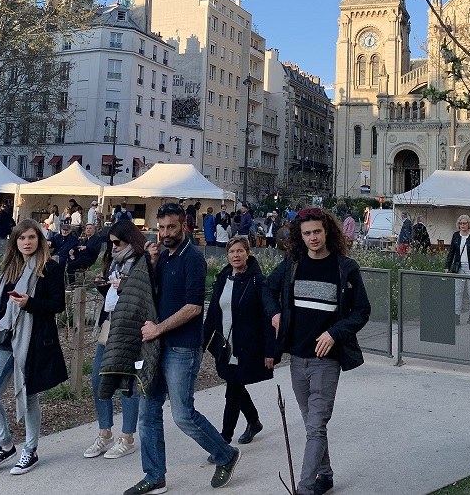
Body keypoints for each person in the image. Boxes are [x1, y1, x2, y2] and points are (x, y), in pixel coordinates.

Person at [127, 203, 241, 495]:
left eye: (171, 227)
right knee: (147, 413)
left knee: (182, 415)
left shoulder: (193, 259)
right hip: (156, 348)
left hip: (182, 349)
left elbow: (193, 307)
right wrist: (152, 262)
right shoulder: (163, 256)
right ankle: (154, 476)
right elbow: (154, 294)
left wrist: (158, 329)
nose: (165, 233)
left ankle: (225, 454)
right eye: (161, 228)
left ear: (184, 226)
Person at [264, 207, 370, 495]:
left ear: (327, 232)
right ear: (300, 236)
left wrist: (334, 333)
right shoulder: (292, 264)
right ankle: (325, 475)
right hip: (297, 359)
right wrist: (275, 312)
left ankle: (305, 488)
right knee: (312, 424)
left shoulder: (345, 267)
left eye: (317, 232)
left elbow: (362, 310)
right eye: (307, 233)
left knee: (316, 426)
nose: (313, 237)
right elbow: (266, 289)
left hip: (326, 361)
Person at [0, 219, 68, 476]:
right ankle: (5, 445)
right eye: (22, 238)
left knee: (29, 395)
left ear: (40, 240)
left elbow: (58, 304)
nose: (27, 242)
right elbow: (1, 305)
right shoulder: (11, 268)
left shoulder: (50, 268)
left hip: (33, 340)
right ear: (15, 242)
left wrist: (30, 303)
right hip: (5, 339)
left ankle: (30, 450)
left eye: (31, 237)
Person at [84, 220, 149, 460]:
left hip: (130, 330)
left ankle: (127, 437)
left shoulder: (143, 263)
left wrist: (125, 286)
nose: (113, 248)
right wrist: (104, 287)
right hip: (109, 327)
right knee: (98, 379)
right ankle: (105, 432)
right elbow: (112, 298)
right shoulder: (114, 262)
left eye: (117, 243)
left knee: (126, 382)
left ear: (130, 241)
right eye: (111, 243)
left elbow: (146, 296)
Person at [203, 237, 274, 449]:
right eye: (232, 251)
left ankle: (224, 440)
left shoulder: (257, 281)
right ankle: (254, 421)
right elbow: (213, 313)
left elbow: (267, 318)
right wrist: (202, 343)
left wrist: (270, 350)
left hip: (246, 346)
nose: (236, 255)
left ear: (248, 253)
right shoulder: (223, 279)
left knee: (232, 390)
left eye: (240, 251)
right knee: (235, 385)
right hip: (224, 346)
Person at [444, 214, 470, 324]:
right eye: (460, 223)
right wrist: (447, 266)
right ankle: (456, 315)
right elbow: (451, 252)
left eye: (464, 223)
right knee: (458, 292)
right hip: (459, 267)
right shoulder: (456, 236)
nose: (462, 225)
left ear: (468, 224)